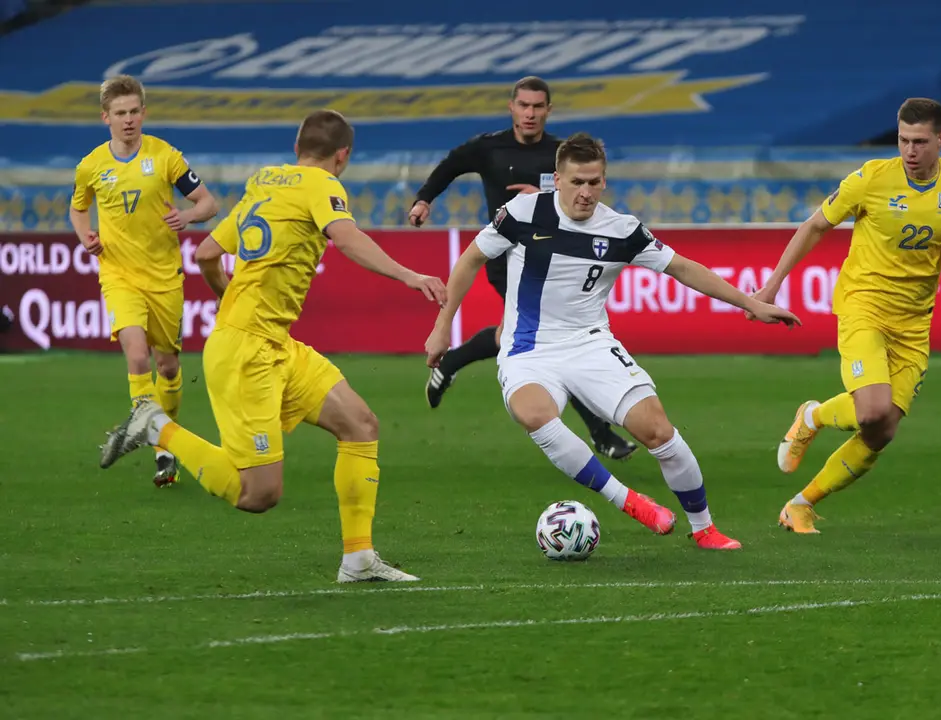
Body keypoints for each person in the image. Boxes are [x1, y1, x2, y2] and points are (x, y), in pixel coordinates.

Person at [99, 110, 447, 582]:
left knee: (361, 425)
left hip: (272, 343)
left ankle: (359, 559)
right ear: (342, 155)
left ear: (297, 146)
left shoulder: (265, 183)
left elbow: (205, 254)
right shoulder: (323, 186)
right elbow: (346, 237)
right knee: (257, 494)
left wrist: (229, 298)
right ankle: (155, 425)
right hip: (247, 353)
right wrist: (410, 275)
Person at [424, 132, 800, 550]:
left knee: (658, 432)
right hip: (529, 349)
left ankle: (704, 528)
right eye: (577, 182)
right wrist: (443, 327)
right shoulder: (522, 213)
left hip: (590, 345)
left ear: (604, 181)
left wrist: (750, 303)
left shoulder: (622, 230)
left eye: (594, 182)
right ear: (557, 180)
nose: (585, 192)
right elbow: (471, 258)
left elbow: (684, 269)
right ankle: (629, 501)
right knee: (534, 414)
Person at [750, 98, 941, 534]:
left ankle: (800, 504)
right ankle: (813, 418)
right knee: (872, 409)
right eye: (902, 140)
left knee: (882, 431)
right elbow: (814, 225)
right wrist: (773, 284)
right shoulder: (871, 179)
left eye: (919, 142)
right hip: (864, 305)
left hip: (914, 322)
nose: (909, 151)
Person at [409, 76, 638, 460]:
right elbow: (450, 166)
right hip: (510, 260)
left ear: (549, 110)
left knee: (520, 337)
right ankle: (601, 433)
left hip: (557, 260)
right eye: (524, 105)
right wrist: (423, 200)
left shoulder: (559, 155)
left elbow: (576, 191)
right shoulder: (489, 148)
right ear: (511, 107)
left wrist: (546, 197)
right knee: (556, 341)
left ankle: (453, 362)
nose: (530, 113)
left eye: (537, 107)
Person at [70, 74, 220, 487]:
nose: (129, 120)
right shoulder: (92, 166)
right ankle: (153, 437)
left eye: (135, 111)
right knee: (137, 356)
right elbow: (79, 208)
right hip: (118, 274)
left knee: (168, 366)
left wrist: (188, 216)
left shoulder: (165, 155)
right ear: (106, 117)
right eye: (120, 113)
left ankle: (164, 442)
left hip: (165, 277)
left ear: (143, 112)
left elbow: (208, 201)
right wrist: (85, 236)